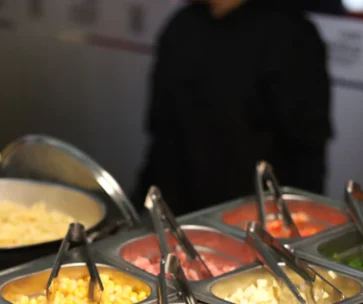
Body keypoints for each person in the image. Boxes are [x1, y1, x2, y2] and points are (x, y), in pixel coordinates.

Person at [133, 0, 333, 215]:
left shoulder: (290, 35)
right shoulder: (181, 27)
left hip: (257, 221)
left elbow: (307, 155)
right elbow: (162, 141)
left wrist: (298, 223)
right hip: (181, 219)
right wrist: (138, 211)